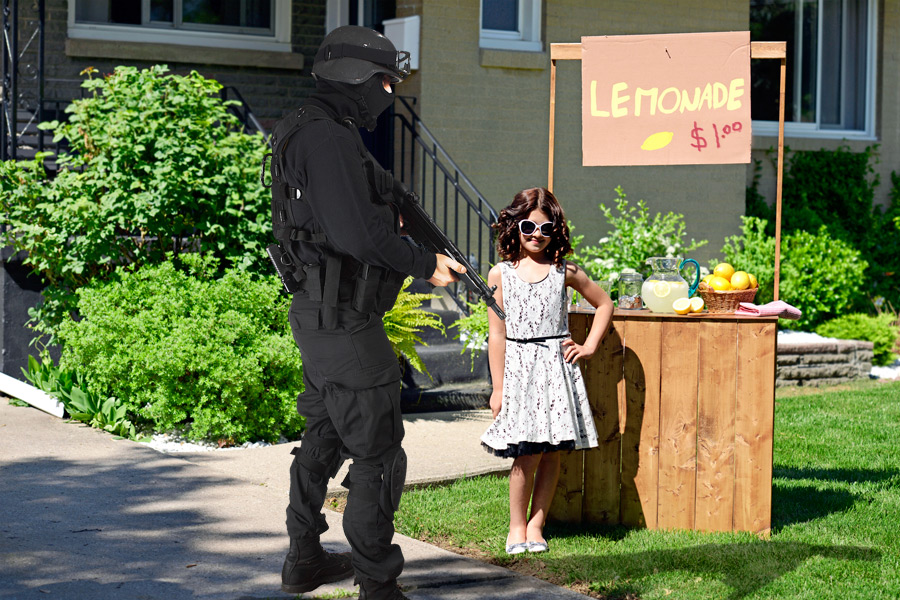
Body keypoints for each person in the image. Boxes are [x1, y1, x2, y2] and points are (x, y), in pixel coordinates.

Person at [269, 26, 465, 600]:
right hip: (347, 326)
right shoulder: (327, 139)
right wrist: (426, 262)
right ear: (355, 78)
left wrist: (396, 210)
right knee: (379, 454)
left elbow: (359, 212)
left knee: (322, 439)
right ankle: (379, 585)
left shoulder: (308, 130)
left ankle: (304, 560)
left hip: (319, 318)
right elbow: (357, 235)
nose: (387, 91)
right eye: (383, 80)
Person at [480, 187, 613, 554]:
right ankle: (516, 527)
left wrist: (588, 347)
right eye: (528, 226)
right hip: (520, 372)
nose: (536, 235)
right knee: (526, 453)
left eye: (545, 228)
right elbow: (496, 334)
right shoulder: (500, 274)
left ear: (556, 230)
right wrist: (498, 388)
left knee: (552, 451)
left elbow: (604, 303)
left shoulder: (564, 271)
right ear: (514, 227)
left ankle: (537, 526)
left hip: (557, 370)